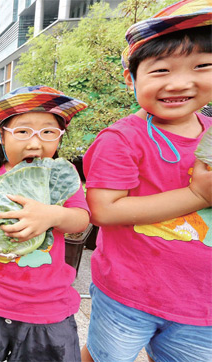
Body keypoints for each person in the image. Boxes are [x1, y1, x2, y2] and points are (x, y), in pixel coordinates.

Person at [81, 1, 212, 361]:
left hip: (201, 302)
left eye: (203, 66)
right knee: (104, 355)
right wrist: (197, 195)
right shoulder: (121, 140)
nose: (181, 82)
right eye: (161, 70)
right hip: (128, 294)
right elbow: (104, 211)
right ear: (131, 78)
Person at [0, 85, 90, 361]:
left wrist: (53, 215)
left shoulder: (62, 174)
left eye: (48, 132)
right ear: (0, 134)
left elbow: (81, 220)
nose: (35, 143)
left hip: (46, 305)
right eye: (22, 131)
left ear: (60, 137)